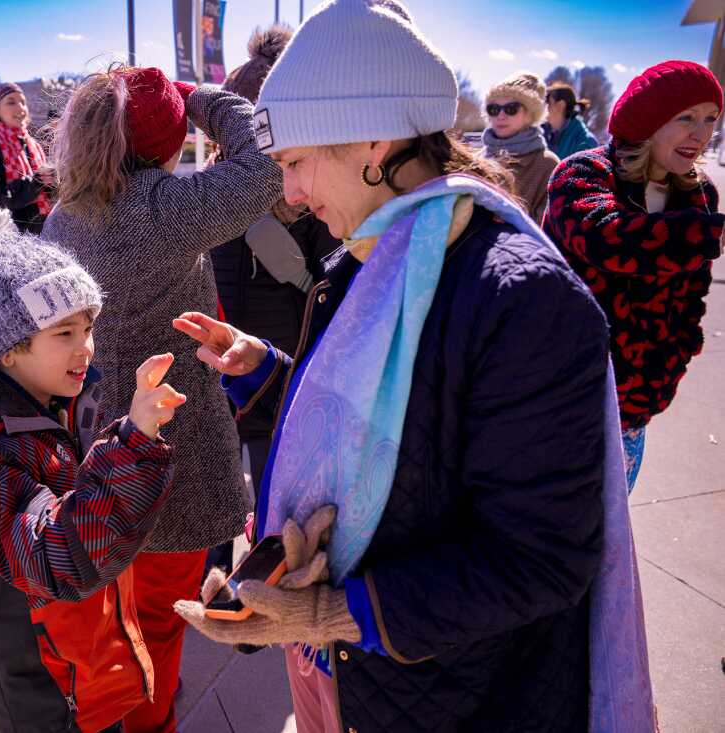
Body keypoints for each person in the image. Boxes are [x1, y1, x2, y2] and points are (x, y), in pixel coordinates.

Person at [172, 2, 649, 731]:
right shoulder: (368, 254)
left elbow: (544, 555)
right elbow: (383, 424)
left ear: (374, 138)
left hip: (468, 698)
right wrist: (269, 371)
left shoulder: (524, 301)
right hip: (380, 685)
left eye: (296, 164)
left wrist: (335, 612)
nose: (290, 195)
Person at [44, 65, 283, 733]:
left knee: (119, 602)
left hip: (97, 426)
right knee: (157, 616)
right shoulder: (164, 208)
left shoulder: (66, 214)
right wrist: (197, 96)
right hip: (176, 435)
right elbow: (265, 161)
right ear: (166, 139)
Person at [0, 229, 183, 733]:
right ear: (9, 349)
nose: (86, 348)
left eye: (88, 328)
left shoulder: (51, 405)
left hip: (76, 673)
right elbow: (55, 558)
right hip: (28, 695)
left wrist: (128, 434)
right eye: (64, 333)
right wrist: (134, 443)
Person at [545, 60, 724, 491]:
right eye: (686, 117)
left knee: (610, 538)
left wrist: (668, 368)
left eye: (711, 120)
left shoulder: (699, 196)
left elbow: (690, 300)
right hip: (559, 402)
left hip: (632, 413)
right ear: (649, 119)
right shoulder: (581, 174)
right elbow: (609, 239)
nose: (700, 134)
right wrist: (706, 234)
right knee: (551, 541)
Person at [210, 24, 340, 570]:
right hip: (279, 363)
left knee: (223, 473)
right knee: (271, 481)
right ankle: (263, 580)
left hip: (234, 359)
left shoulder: (211, 192)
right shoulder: (315, 194)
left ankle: (220, 577)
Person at [0, 82, 53, 233]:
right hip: (12, 235)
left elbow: (46, 191)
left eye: (23, 102)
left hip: (44, 228)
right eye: (11, 102)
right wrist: (36, 182)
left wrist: (53, 180)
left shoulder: (32, 144)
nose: (21, 108)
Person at [482, 72, 560, 223]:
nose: (501, 116)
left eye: (511, 109)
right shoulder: (477, 158)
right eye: (493, 109)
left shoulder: (548, 165)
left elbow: (547, 230)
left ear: (531, 115)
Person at [543, 83, 598, 159]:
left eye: (547, 102)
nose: (542, 107)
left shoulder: (586, 143)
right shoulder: (541, 133)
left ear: (560, 105)